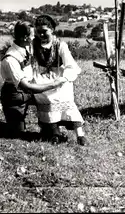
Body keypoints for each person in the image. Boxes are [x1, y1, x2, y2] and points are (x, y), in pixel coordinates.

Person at [0, 21, 67, 140]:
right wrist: (53, 85)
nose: (36, 37)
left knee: (51, 98)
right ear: (25, 37)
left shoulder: (27, 46)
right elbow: (26, 86)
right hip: (15, 96)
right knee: (17, 134)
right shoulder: (11, 59)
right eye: (33, 35)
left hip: (30, 91)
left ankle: (52, 131)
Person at [31, 15, 87, 146]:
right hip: (42, 77)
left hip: (59, 77)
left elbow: (70, 65)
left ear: (52, 30)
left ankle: (80, 134)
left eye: (45, 31)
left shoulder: (60, 45)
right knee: (45, 98)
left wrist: (63, 79)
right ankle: (54, 132)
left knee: (65, 98)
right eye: (38, 32)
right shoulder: (34, 44)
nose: (41, 35)